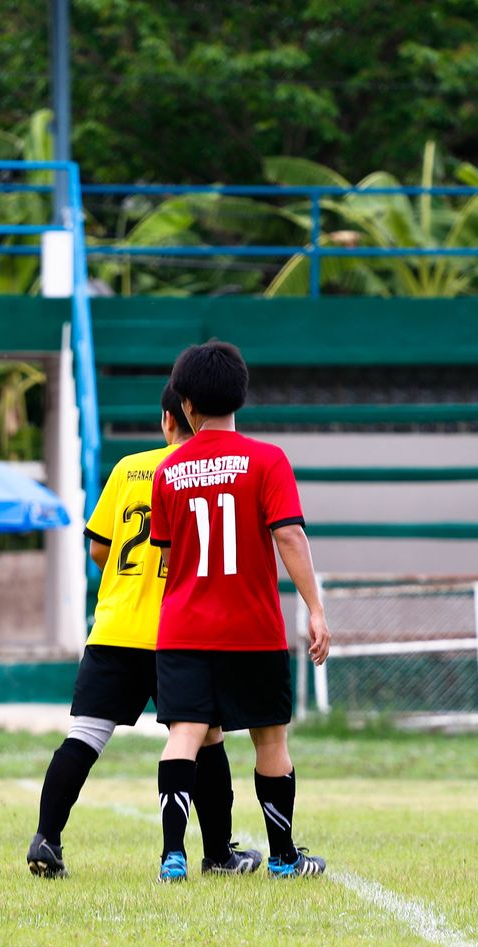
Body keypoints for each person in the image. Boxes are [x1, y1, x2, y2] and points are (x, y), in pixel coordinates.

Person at [27, 386, 261, 878]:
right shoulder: (205, 472)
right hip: (179, 632)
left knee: (85, 736)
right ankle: (218, 853)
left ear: (167, 420)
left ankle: (46, 838)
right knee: (205, 738)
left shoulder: (128, 468)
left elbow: (99, 548)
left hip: (114, 627)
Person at [148, 341, 331, 882]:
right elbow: (289, 536)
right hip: (252, 628)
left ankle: (173, 857)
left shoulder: (168, 470)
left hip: (183, 628)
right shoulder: (268, 460)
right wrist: (315, 609)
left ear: (185, 404)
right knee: (270, 739)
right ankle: (283, 858)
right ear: (240, 396)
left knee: (184, 734)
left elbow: (167, 559)